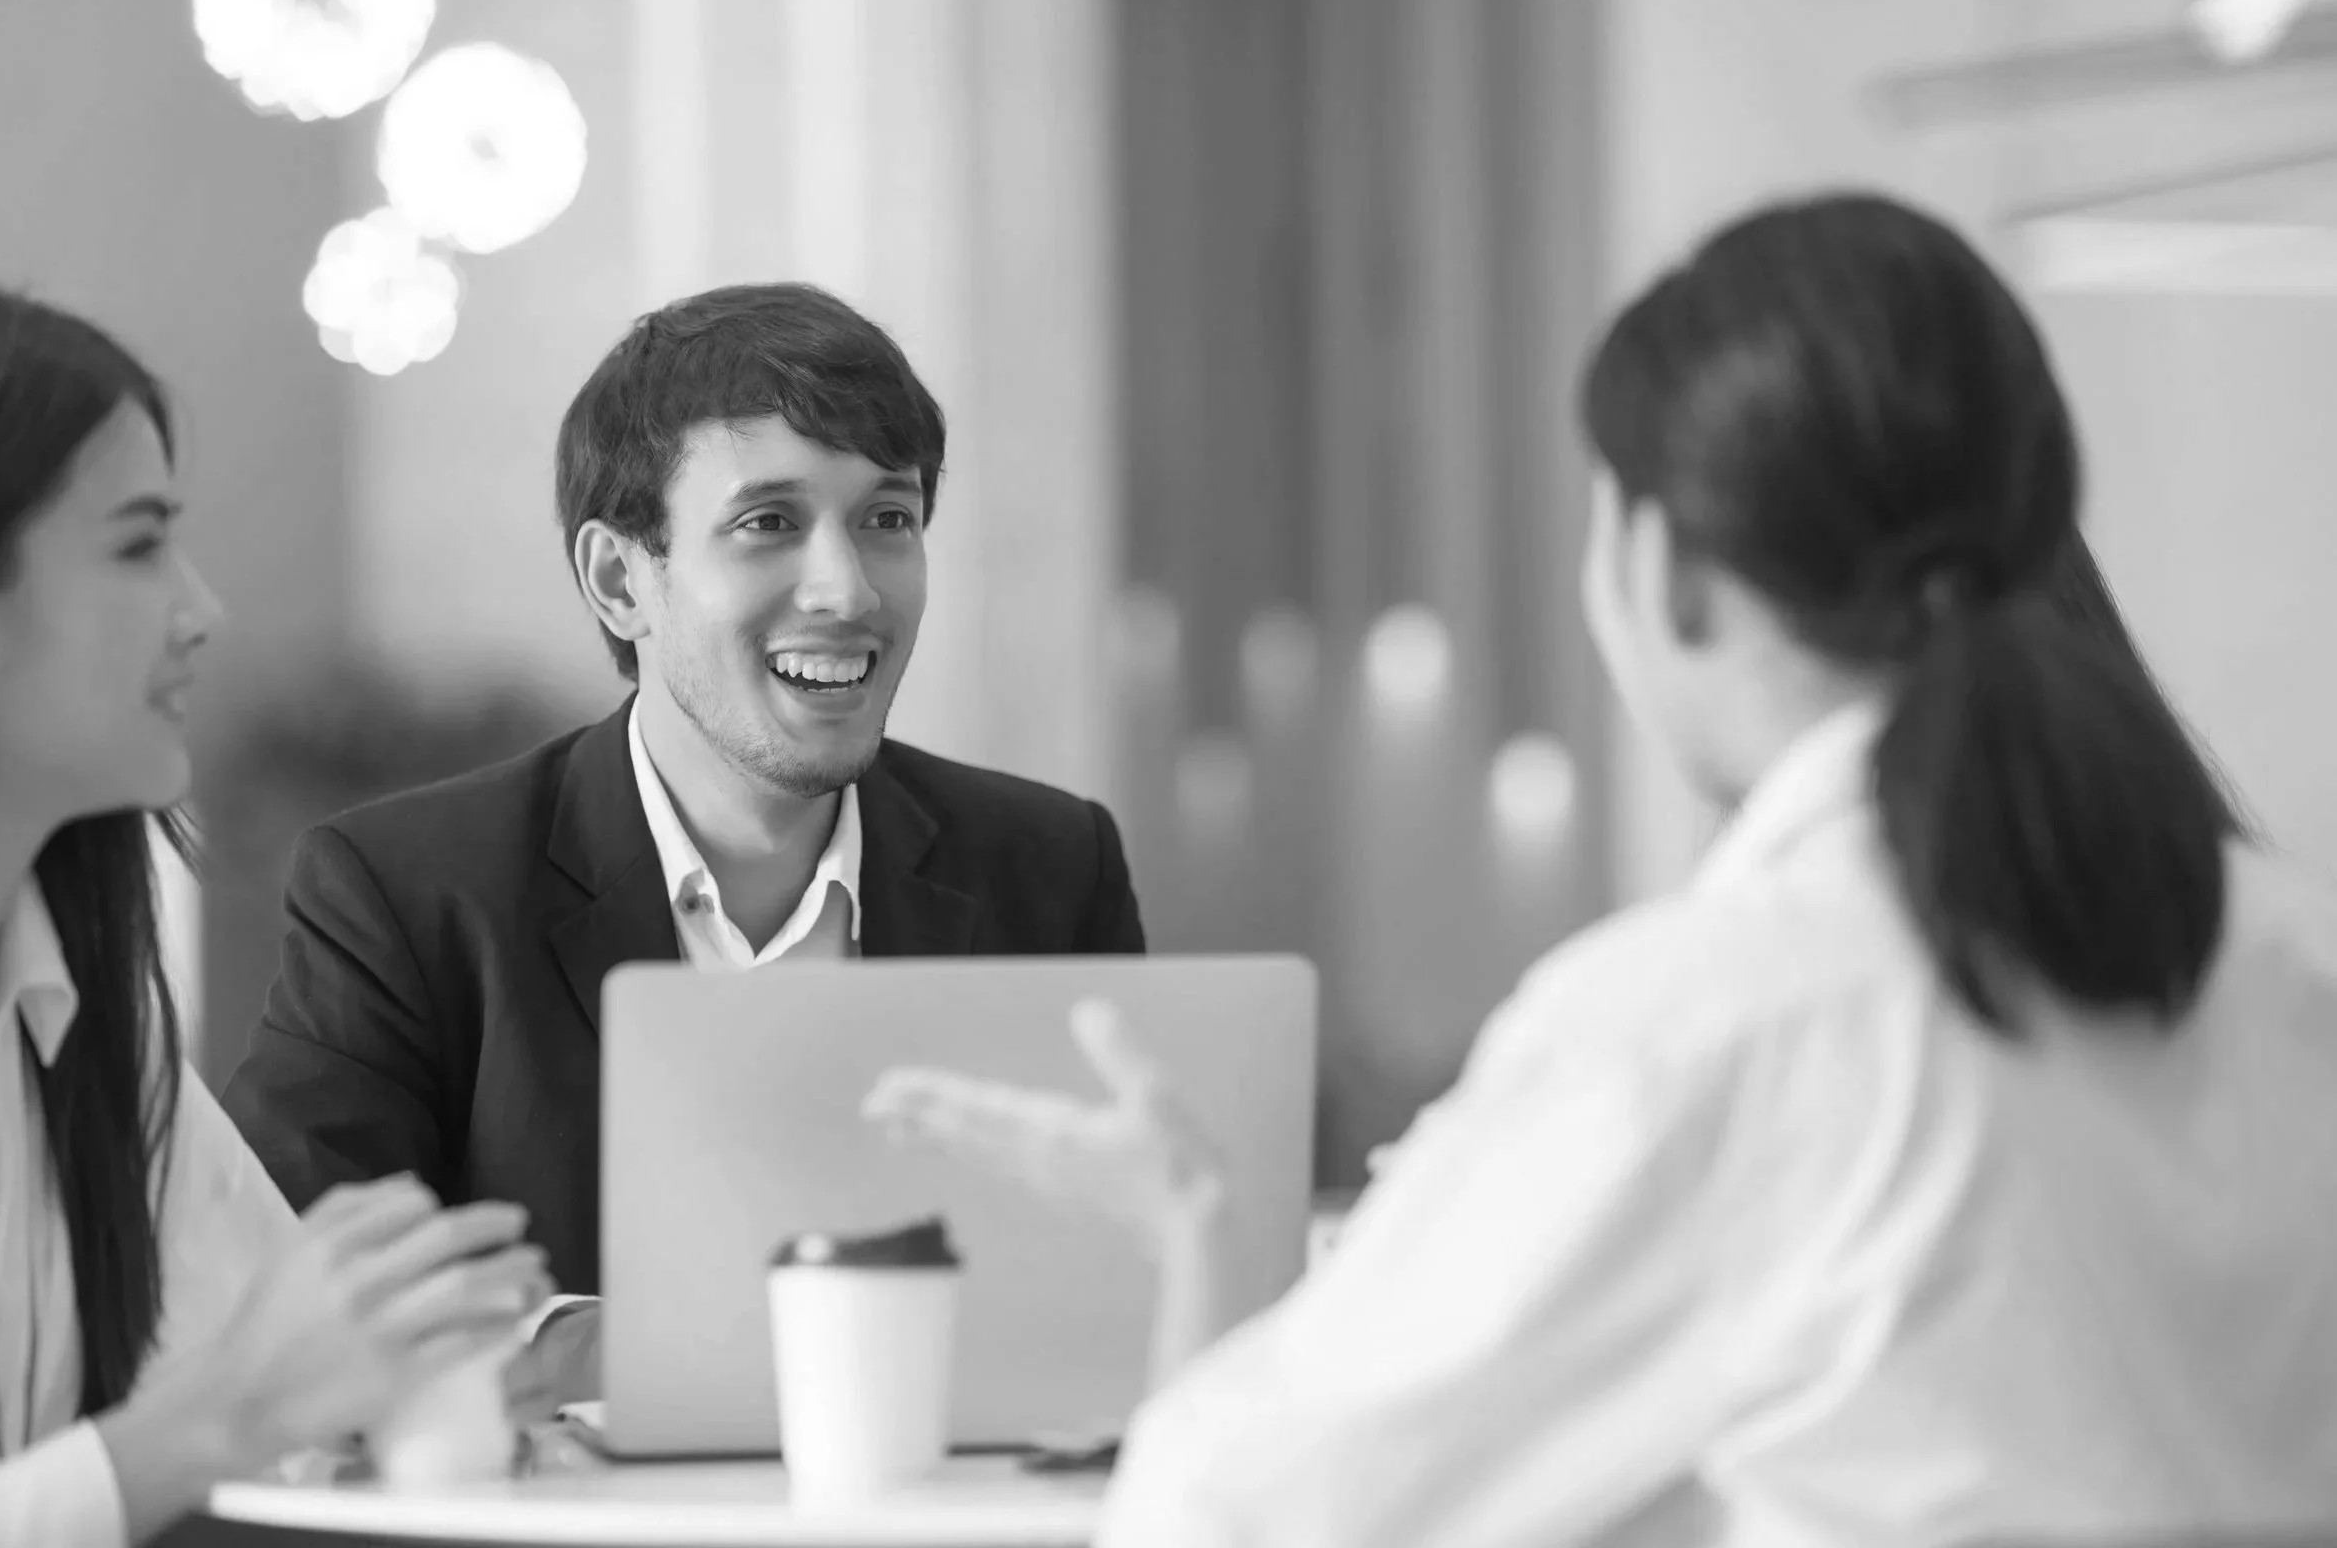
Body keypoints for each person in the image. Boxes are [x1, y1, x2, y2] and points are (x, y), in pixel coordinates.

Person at [868, 194, 2337, 1545]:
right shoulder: (2293, 959)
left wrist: (1196, 1243)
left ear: (1669, 573)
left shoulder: (1713, 1025)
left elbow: (1235, 1522)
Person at [220, 282, 1147, 1413]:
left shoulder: (1049, 866)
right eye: (768, 522)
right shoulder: (407, 890)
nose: (847, 587)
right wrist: (664, 1352)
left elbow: (1122, 1273)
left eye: (886, 517)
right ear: (621, 580)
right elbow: (293, 1285)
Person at [0, 281, 552, 1547]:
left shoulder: (85, 1013)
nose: (200, 609)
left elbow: (314, 1386)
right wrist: (215, 1420)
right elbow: (244, 1398)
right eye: (136, 542)